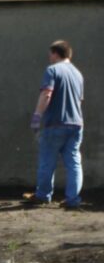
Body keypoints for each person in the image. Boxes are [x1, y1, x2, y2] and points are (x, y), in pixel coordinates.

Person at [26, 40, 85, 209]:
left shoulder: (52, 70)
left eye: (50, 54)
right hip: (76, 124)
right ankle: (73, 200)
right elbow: (79, 101)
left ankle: (43, 195)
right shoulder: (78, 74)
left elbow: (47, 94)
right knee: (74, 162)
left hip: (55, 123)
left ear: (56, 53)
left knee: (47, 160)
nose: (49, 57)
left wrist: (37, 116)